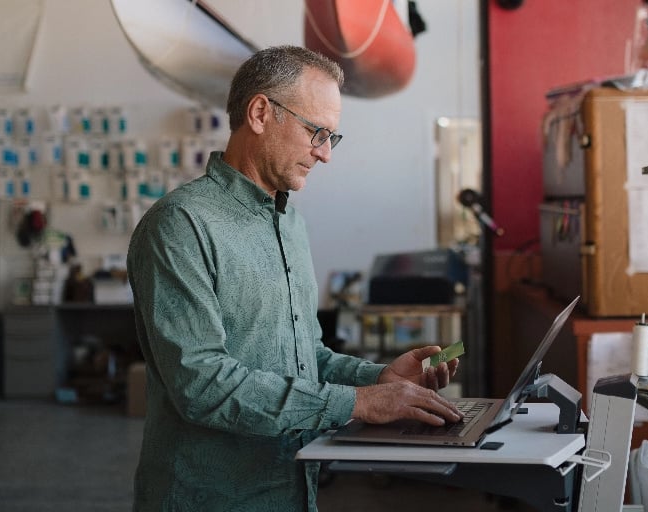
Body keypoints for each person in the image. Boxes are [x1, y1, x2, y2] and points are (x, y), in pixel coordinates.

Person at [127, 45, 463, 512]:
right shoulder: (181, 225)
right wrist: (358, 404)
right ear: (261, 112)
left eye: (332, 138)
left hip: (292, 490)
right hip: (211, 499)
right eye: (317, 132)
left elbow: (303, 357)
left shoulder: (290, 224)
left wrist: (378, 379)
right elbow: (202, 385)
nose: (325, 154)